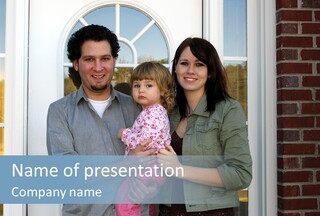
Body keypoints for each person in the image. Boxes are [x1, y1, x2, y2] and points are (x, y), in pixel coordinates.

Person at [46, 24, 155, 216]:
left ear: (114, 61)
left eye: (105, 58)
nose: (98, 67)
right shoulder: (59, 112)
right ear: (76, 63)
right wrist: (127, 164)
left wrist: (151, 187)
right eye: (89, 59)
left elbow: (155, 162)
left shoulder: (138, 108)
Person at [157, 37, 252, 216]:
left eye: (199, 64)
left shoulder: (227, 110)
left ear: (210, 71)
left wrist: (179, 169)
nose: (190, 70)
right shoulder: (168, 112)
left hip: (212, 212)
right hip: (167, 210)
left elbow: (241, 174)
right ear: (176, 68)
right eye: (184, 63)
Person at [116, 62, 175, 216]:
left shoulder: (154, 113)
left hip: (149, 167)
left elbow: (145, 142)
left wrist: (124, 134)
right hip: (150, 168)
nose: (141, 89)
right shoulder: (149, 111)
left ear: (162, 90)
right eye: (136, 85)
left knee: (124, 202)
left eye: (148, 85)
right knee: (144, 203)